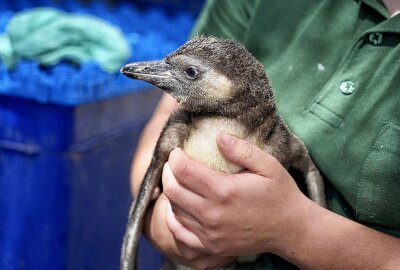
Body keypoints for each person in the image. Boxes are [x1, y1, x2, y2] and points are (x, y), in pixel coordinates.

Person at [130, 0, 400, 269]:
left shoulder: (274, 138)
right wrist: (164, 227)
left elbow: (305, 166)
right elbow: (163, 120)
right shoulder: (184, 126)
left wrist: (294, 229)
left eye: (191, 72)